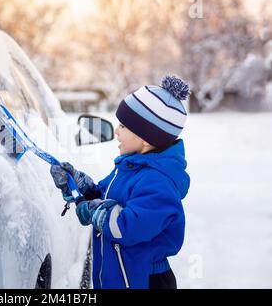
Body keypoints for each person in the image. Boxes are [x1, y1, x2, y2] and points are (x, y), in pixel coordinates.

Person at [50, 75, 191, 289]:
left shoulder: (159, 183)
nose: (116, 130)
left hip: (144, 281)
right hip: (122, 277)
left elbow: (128, 226)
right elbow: (105, 197)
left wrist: (95, 212)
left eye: (123, 126)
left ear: (146, 138)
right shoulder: (131, 167)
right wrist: (80, 186)